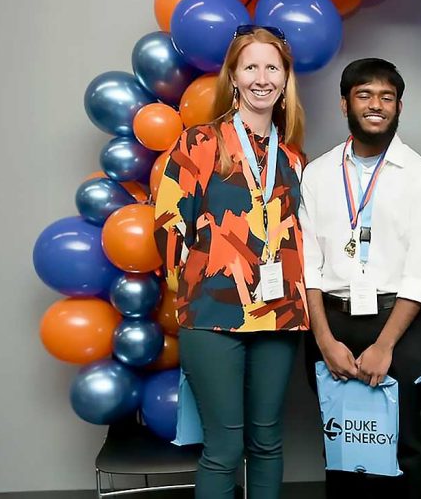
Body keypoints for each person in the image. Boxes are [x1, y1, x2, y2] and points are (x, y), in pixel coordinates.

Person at [154, 25, 308, 499]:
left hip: (278, 314)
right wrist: (194, 290)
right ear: (234, 77)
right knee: (223, 447)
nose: (262, 78)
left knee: (266, 442)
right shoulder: (200, 144)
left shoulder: (294, 159)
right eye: (251, 67)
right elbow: (168, 223)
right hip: (212, 313)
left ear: (285, 80)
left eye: (272, 67)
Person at [299, 58, 421, 499]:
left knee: (403, 444)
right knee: (341, 441)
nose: (375, 105)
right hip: (332, 324)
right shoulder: (318, 174)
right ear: (345, 105)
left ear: (399, 107)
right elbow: (309, 265)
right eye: (364, 95)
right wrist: (324, 341)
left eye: (386, 97)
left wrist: (384, 345)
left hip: (397, 323)